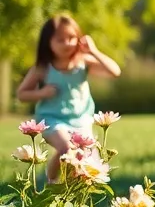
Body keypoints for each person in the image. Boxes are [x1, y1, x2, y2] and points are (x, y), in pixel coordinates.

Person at [14, 14, 122, 182]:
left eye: (71, 38)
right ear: (48, 42)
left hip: (81, 120)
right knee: (67, 148)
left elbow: (115, 71)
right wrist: (42, 93)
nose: (67, 43)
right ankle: (50, 184)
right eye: (60, 40)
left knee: (84, 163)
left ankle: (68, 188)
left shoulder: (83, 62)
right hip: (52, 119)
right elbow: (22, 94)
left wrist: (93, 51)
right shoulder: (43, 68)